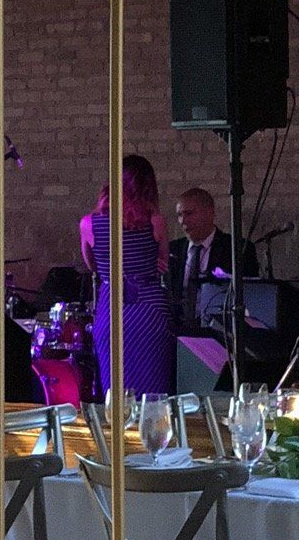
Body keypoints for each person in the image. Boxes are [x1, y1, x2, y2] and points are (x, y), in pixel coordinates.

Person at [80, 154, 174, 395]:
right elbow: (163, 260)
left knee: (116, 387)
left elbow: (92, 266)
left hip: (112, 308)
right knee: (153, 391)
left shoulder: (89, 223)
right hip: (150, 308)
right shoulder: (156, 221)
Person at [168, 185, 256, 329]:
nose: (183, 220)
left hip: (220, 332)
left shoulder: (236, 248)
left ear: (210, 213)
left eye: (189, 213)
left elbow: (250, 296)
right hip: (177, 332)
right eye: (179, 215)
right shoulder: (173, 250)